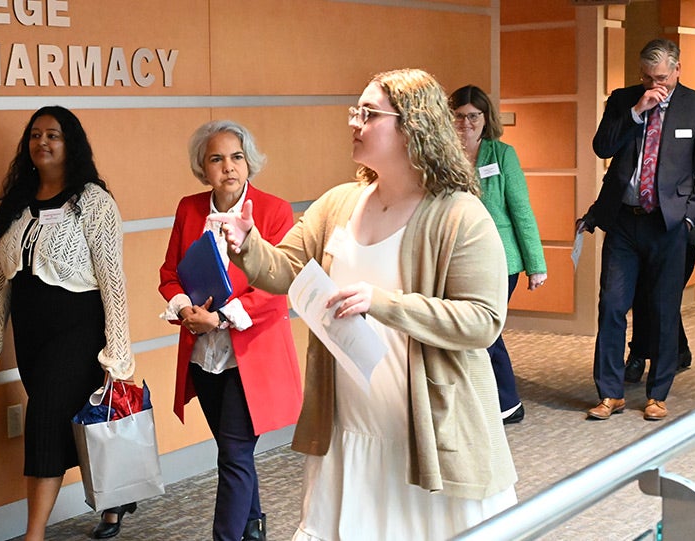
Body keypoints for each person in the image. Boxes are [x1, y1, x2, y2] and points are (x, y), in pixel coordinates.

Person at [211, 68, 517, 540]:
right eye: (355, 111)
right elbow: (284, 269)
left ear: (413, 125)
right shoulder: (340, 203)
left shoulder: (459, 213)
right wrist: (247, 242)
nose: (354, 121)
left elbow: (483, 321)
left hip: (426, 431)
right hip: (349, 426)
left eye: (369, 113)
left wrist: (384, 303)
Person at [0, 106, 136, 541]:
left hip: (78, 332)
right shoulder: (18, 206)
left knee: (44, 421)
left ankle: (34, 534)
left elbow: (112, 280)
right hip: (31, 339)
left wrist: (117, 351)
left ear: (71, 145)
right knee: (80, 424)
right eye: (35, 135)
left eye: (54, 135)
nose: (42, 142)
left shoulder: (94, 203)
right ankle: (114, 500)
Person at [158, 120, 304, 541]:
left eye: (236, 157)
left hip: (252, 355)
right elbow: (170, 274)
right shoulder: (189, 209)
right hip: (205, 355)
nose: (229, 167)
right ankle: (254, 523)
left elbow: (278, 287)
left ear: (249, 162)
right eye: (216, 159)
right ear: (203, 168)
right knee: (232, 451)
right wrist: (186, 308)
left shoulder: (274, 210)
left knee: (235, 455)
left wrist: (220, 318)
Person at [579, 38, 695, 422]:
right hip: (623, 221)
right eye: (646, 77)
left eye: (660, 77)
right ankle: (610, 394)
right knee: (611, 306)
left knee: (662, 310)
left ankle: (658, 393)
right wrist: (636, 112)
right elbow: (601, 147)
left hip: (668, 223)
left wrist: (689, 216)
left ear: (676, 70)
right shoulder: (624, 99)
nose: (653, 84)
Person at [448, 85, 548, 425]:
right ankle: (485, 400)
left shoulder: (501, 154)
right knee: (468, 332)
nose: (466, 124)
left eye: (474, 116)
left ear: (486, 118)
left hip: (501, 260)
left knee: (486, 330)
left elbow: (521, 210)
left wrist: (536, 264)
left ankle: (507, 401)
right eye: (460, 117)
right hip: (456, 259)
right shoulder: (442, 156)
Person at [622, 189, 695, 383]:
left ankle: (639, 355)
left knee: (661, 295)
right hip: (647, 227)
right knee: (645, 292)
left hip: (683, 231)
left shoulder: (690, 157)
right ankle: (676, 350)